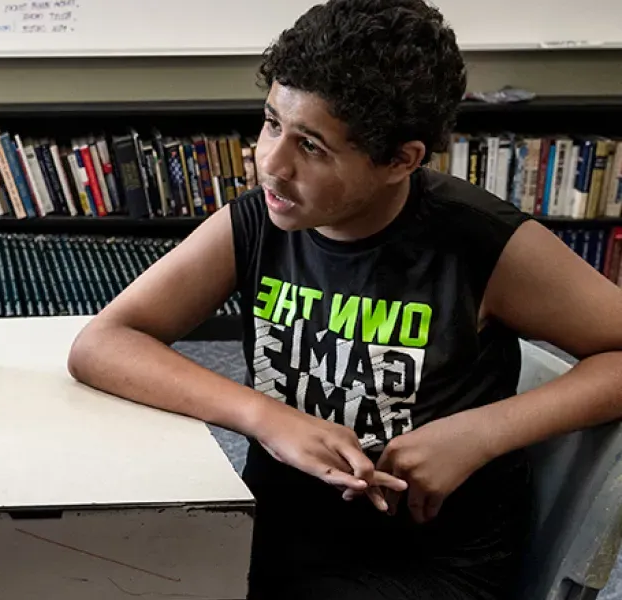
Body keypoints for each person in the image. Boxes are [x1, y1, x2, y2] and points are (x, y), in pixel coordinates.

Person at [67, 0, 622, 598]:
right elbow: (103, 343)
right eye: (272, 122)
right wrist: (267, 418)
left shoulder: (480, 243)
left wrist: (480, 433)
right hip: (273, 533)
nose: (271, 164)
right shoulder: (258, 222)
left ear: (400, 160)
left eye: (312, 146)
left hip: (423, 564)